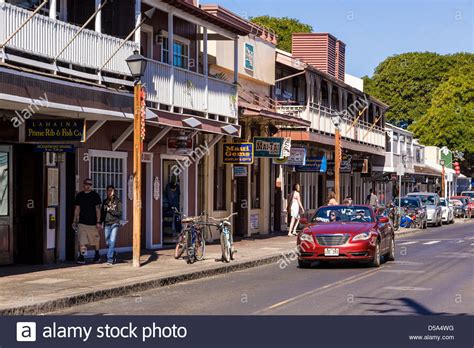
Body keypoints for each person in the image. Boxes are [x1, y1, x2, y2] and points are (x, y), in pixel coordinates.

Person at [73, 179, 102, 264]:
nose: (88, 186)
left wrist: (98, 221)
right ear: (83, 185)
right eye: (87, 184)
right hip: (82, 222)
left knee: (95, 240)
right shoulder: (79, 196)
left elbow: (98, 209)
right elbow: (77, 209)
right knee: (82, 240)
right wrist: (74, 221)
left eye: (90, 184)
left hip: (93, 223)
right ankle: (82, 257)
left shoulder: (95, 195)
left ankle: (97, 256)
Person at [101, 185, 122, 265]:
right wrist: (100, 222)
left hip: (115, 223)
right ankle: (113, 253)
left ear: (114, 191)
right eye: (108, 190)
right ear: (106, 192)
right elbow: (103, 213)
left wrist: (111, 210)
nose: (110, 192)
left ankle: (109, 259)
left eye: (111, 190)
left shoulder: (118, 201)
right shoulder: (105, 201)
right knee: (107, 242)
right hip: (107, 223)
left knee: (112, 241)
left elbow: (120, 213)